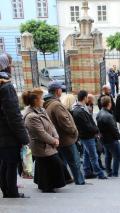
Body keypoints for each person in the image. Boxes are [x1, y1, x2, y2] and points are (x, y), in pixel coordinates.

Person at [23, 88, 66, 193]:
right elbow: (40, 134)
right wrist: (54, 141)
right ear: (35, 101)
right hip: (40, 145)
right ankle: (47, 186)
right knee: (50, 165)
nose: (43, 100)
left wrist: (56, 137)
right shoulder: (31, 116)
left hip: (49, 143)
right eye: (41, 98)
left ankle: (47, 185)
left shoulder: (41, 110)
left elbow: (51, 125)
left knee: (45, 166)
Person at [43, 81, 85, 185]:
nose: (62, 91)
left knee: (63, 162)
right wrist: (74, 131)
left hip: (58, 139)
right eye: (61, 89)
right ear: (57, 91)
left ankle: (65, 180)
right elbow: (65, 122)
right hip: (65, 139)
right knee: (74, 162)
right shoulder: (56, 105)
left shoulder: (48, 103)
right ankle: (79, 181)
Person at [0, 54, 30, 198]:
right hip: (8, 135)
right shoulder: (6, 87)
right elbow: (14, 116)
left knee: (5, 163)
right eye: (9, 66)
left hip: (3, 135)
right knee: (11, 163)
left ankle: (7, 189)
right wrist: (24, 138)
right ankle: (11, 191)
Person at [72, 90, 107, 179]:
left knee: (87, 155)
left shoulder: (80, 108)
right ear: (84, 98)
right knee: (93, 156)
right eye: (87, 97)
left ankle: (87, 172)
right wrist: (96, 131)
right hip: (87, 136)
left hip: (86, 136)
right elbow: (87, 126)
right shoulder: (79, 110)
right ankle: (100, 174)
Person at [96, 96, 120, 177]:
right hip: (111, 139)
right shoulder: (108, 116)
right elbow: (114, 129)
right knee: (117, 156)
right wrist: (119, 136)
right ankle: (114, 173)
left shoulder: (100, 113)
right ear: (109, 103)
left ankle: (108, 171)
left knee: (108, 155)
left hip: (104, 139)